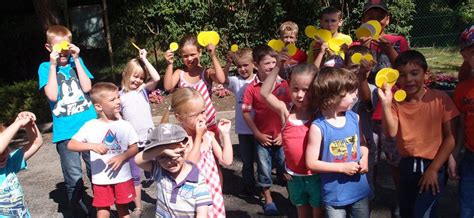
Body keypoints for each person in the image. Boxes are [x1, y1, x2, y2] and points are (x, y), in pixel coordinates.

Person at [378, 50, 459, 217]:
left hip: (433, 165)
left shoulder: (440, 98)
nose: (408, 79)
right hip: (407, 165)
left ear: (425, 74)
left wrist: (434, 169)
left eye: (414, 73)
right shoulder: (395, 102)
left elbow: (450, 138)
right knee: (407, 211)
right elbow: (391, 132)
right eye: (402, 75)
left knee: (423, 214)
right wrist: (386, 104)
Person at [37, 25, 96, 216]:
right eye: (58, 48)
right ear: (48, 48)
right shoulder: (45, 67)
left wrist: (77, 58)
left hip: (89, 128)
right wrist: (53, 65)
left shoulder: (76, 61)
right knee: (73, 178)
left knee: (97, 172)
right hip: (66, 133)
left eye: (66, 47)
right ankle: (78, 213)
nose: (63, 52)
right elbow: (53, 95)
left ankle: (100, 209)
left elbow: (87, 88)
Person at [68, 82, 139, 218]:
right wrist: (91, 146)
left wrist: (122, 157)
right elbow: (71, 144)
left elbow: (134, 147)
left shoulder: (125, 125)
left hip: (122, 177)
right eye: (112, 99)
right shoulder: (90, 126)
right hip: (101, 179)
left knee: (123, 208)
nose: (118, 101)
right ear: (98, 106)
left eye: (118, 97)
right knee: (102, 209)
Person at [306, 67, 370, 217]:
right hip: (335, 195)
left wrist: (365, 157)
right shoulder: (318, 127)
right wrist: (342, 167)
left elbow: (362, 145)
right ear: (334, 97)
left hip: (359, 190)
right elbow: (311, 163)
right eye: (351, 92)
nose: (355, 96)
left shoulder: (355, 118)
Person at [260, 63, 322, 218]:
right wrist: (277, 66)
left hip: (316, 175)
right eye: (295, 89)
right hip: (294, 176)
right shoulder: (285, 111)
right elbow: (264, 93)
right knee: (302, 211)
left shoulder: (320, 112)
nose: (300, 95)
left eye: (306, 90)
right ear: (288, 86)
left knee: (318, 212)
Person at [166, 87, 233, 217]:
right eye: (195, 115)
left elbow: (227, 160)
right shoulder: (180, 140)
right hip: (191, 196)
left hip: (212, 194)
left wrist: (225, 134)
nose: (202, 118)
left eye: (203, 112)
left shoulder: (208, 135)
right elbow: (190, 163)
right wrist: (198, 137)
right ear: (179, 117)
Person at [242, 45, 291, 215]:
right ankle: (268, 198)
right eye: (267, 63)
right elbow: (246, 113)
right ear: (256, 65)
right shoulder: (251, 88)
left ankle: (294, 195)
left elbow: (289, 111)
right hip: (262, 137)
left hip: (283, 136)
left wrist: (283, 134)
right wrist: (257, 133)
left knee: (287, 167)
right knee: (264, 169)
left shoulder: (284, 84)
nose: (271, 66)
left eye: (274, 62)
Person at [134, 123, 212, 218]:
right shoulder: (160, 170)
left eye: (174, 155)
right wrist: (163, 148)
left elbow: (202, 214)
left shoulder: (198, 180)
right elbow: (137, 160)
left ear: (186, 148)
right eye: (162, 157)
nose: (169, 162)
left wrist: (163, 151)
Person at [119, 48, 160, 217]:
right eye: (135, 76)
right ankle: (138, 207)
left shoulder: (142, 90)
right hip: (132, 142)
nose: (138, 80)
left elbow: (157, 78)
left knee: (159, 169)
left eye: (141, 77)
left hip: (149, 139)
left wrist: (144, 60)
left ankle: (164, 197)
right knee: (135, 175)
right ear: (125, 74)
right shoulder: (119, 96)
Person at [163, 34, 226, 137]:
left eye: (193, 54)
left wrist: (213, 56)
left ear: (200, 52)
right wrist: (169, 64)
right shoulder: (180, 73)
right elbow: (168, 87)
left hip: (208, 125)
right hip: (189, 128)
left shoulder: (206, 73)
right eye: (185, 56)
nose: (189, 59)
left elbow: (221, 79)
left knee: (214, 152)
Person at [344, 45, 378, 202]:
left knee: (365, 184)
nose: (358, 70)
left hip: (365, 147)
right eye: (353, 67)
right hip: (341, 146)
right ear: (344, 68)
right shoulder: (338, 89)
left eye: (362, 67)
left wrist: (362, 77)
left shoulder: (373, 89)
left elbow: (366, 101)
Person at [223, 47, 257, 195]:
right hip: (243, 130)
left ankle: (264, 188)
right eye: (239, 66)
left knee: (263, 162)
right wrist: (228, 63)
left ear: (254, 64)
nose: (242, 69)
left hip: (259, 129)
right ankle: (249, 186)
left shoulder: (259, 79)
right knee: (247, 162)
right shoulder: (236, 81)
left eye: (245, 65)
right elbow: (222, 79)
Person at [450, 24, 474, 218]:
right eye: (472, 52)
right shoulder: (462, 89)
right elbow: (459, 124)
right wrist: (454, 154)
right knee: (467, 206)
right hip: (471, 157)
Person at [0, 112, 43, 217]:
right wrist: (17, 124)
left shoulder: (9, 163)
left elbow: (36, 143)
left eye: (6, 147)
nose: (4, 153)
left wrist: (29, 124)